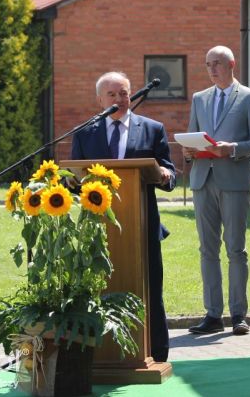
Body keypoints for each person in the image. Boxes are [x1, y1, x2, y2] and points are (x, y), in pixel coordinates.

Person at [71, 71, 176, 362]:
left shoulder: (152, 129)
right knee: (98, 287)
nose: (119, 99)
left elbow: (168, 172)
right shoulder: (84, 133)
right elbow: (77, 178)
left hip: (142, 225)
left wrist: (166, 174)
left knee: (150, 288)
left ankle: (155, 352)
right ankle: (97, 353)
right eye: (112, 94)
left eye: (124, 93)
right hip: (99, 227)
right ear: (99, 100)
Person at [184, 46, 250, 336]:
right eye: (208, 64)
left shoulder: (249, 97)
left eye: (217, 63)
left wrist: (231, 149)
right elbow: (193, 137)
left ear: (231, 64)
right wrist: (189, 152)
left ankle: (238, 314)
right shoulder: (199, 99)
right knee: (207, 249)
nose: (211, 69)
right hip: (202, 180)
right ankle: (212, 314)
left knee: (235, 249)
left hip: (233, 180)